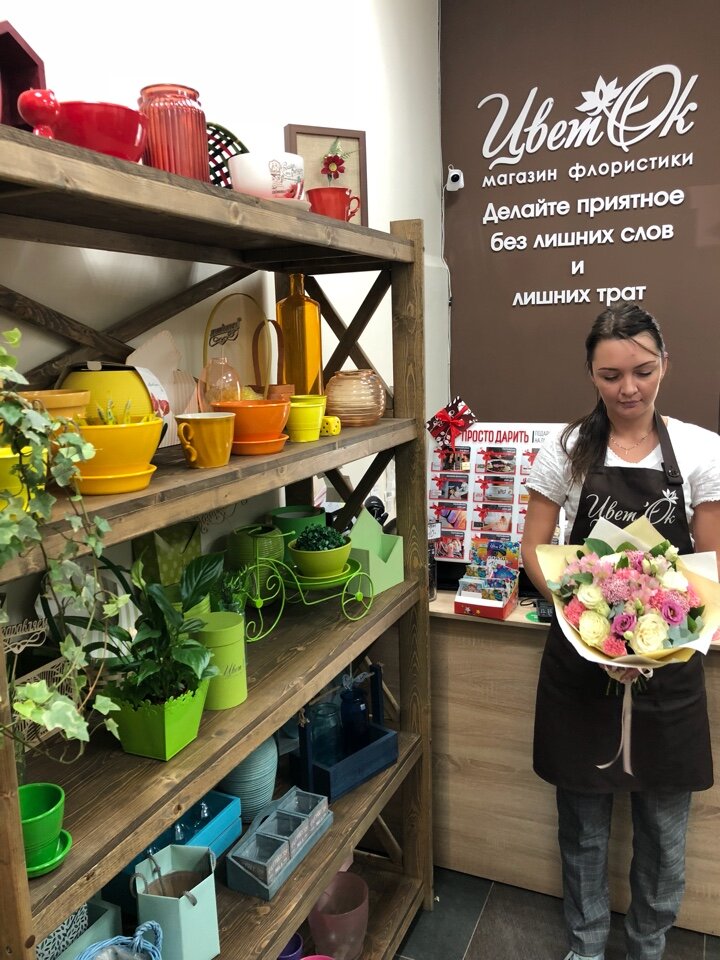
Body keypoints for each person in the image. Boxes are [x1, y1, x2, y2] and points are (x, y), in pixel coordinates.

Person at [520, 303, 720, 960]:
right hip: (582, 663)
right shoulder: (566, 451)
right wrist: (587, 627)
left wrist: (661, 642)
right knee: (581, 827)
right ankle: (584, 948)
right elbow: (534, 547)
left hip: (671, 665)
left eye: (642, 371)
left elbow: (710, 566)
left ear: (665, 365)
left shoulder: (701, 450)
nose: (628, 388)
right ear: (591, 374)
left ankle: (648, 947)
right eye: (610, 376)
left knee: (663, 833)